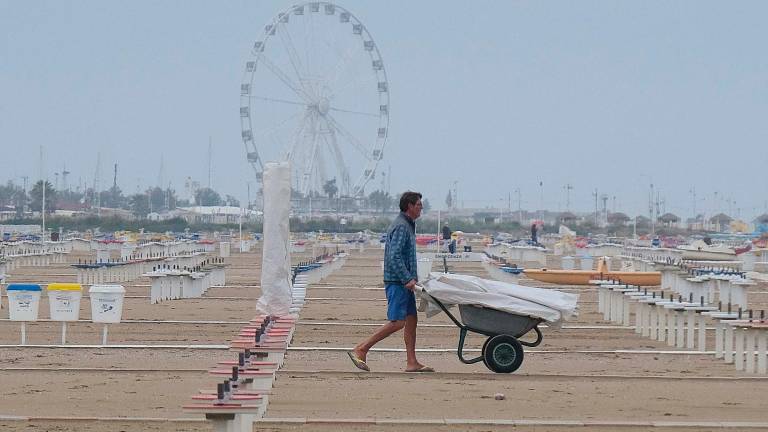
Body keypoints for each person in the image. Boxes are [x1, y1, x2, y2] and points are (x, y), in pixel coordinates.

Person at [348, 191, 434, 373]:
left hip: (406, 281)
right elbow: (394, 256)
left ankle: (412, 362)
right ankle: (361, 349)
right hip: (398, 282)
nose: (421, 208)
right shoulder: (402, 226)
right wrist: (407, 279)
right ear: (409, 206)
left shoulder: (409, 225)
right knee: (397, 321)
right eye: (419, 205)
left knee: (411, 320)